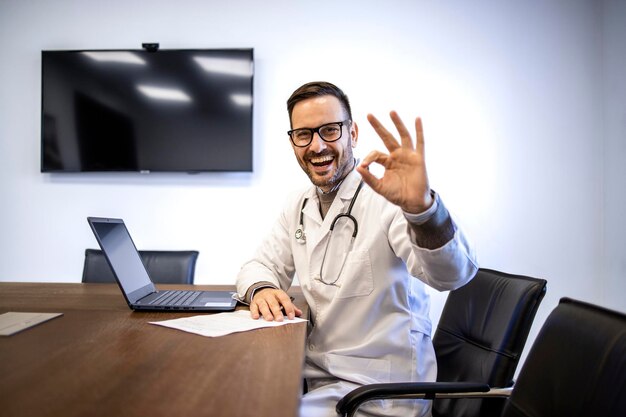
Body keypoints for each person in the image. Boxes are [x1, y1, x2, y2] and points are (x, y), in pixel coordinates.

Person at [235, 81, 478, 417]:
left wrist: (423, 210)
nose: (317, 145)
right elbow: (257, 265)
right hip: (319, 380)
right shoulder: (299, 205)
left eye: (330, 130)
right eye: (303, 134)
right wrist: (261, 288)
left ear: (353, 133)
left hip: (379, 394)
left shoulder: (389, 199)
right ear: (292, 142)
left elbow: (452, 275)